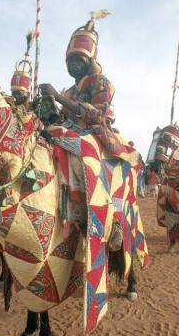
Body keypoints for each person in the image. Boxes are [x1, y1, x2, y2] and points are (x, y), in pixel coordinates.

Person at [39, 12, 141, 236]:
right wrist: (48, 110)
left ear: (89, 61)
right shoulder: (69, 90)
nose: (74, 65)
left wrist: (58, 97)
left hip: (95, 133)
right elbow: (63, 118)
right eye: (70, 61)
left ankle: (95, 210)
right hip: (67, 131)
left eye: (78, 60)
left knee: (80, 153)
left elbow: (97, 114)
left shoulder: (101, 82)